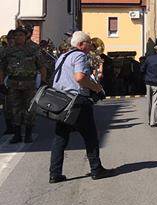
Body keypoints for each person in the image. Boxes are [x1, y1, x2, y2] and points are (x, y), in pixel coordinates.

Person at [49, 31, 115, 183]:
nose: (91, 45)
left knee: (60, 138)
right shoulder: (80, 56)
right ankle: (96, 169)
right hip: (77, 101)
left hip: (62, 100)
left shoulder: (62, 57)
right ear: (80, 44)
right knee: (90, 136)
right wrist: (97, 88)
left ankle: (54, 173)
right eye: (89, 43)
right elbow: (80, 78)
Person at [0, 26, 47, 143]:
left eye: (20, 35)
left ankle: (28, 134)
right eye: (16, 35)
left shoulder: (33, 49)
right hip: (13, 84)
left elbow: (41, 66)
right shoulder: (8, 50)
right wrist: (1, 83)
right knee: (15, 109)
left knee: (29, 109)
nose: (18, 37)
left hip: (29, 84)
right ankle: (17, 134)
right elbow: (2, 68)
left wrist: (43, 81)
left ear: (25, 36)